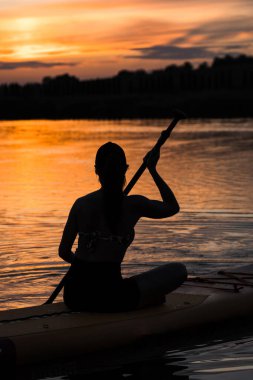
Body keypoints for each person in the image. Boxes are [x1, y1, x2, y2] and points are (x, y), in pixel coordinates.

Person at [59, 142, 187, 312]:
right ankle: (145, 300)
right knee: (179, 270)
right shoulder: (134, 204)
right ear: (125, 169)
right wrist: (152, 169)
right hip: (111, 297)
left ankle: (142, 298)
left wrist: (86, 269)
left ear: (96, 170)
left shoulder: (81, 204)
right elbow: (172, 207)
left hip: (74, 295)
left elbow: (63, 252)